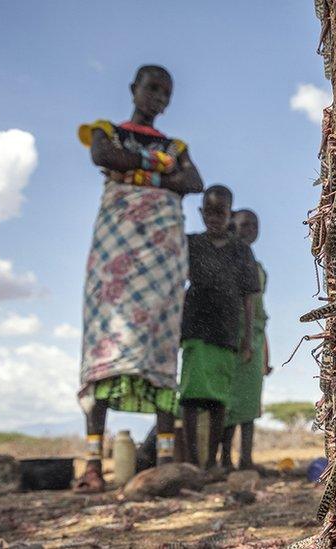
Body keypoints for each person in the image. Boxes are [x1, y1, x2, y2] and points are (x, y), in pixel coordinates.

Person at [75, 65, 204, 492]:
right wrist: (161, 173)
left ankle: (164, 463)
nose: (159, 98)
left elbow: (194, 182)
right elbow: (104, 156)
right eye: (152, 89)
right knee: (104, 341)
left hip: (162, 257)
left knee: (161, 340)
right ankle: (94, 465)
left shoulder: (177, 144)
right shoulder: (106, 130)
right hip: (117, 250)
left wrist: (133, 169)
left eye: (166, 93)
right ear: (134, 88)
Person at [179, 185, 260, 472]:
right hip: (194, 328)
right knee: (190, 397)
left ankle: (212, 464)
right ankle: (190, 464)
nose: (214, 218)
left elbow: (249, 298)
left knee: (218, 401)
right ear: (201, 212)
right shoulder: (190, 244)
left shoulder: (241, 251)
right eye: (209, 212)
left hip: (227, 331)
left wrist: (247, 340)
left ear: (229, 214)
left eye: (221, 212)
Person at [221, 209, 272, 471]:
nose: (250, 229)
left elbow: (262, 314)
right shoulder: (227, 259)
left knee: (251, 401)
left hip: (255, 336)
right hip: (234, 334)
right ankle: (225, 460)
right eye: (244, 224)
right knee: (230, 400)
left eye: (255, 224)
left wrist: (265, 352)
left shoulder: (259, 267)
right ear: (233, 226)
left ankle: (246, 459)